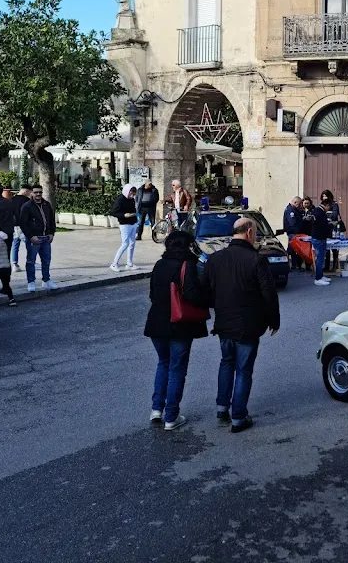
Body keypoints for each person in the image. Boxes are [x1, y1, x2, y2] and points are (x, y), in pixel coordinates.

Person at [201, 218, 280, 433]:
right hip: (248, 325)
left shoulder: (215, 259)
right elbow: (269, 295)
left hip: (224, 323)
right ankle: (238, 417)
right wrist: (274, 320)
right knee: (243, 370)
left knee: (227, 362)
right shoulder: (256, 260)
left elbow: (205, 291)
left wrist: (218, 305)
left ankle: (222, 408)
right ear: (250, 232)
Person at [145, 230, 209, 432]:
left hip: (156, 323)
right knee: (177, 369)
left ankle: (156, 409)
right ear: (187, 245)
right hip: (180, 324)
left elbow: (152, 294)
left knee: (163, 364)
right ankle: (171, 416)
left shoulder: (159, 264)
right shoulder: (187, 264)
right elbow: (191, 293)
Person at [18, 184, 57, 293]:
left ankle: (46, 280)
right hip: (34, 239)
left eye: (40, 192)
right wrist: (31, 237)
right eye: (36, 192)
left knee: (46, 260)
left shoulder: (46, 205)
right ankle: (31, 282)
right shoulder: (27, 206)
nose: (38, 194)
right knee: (31, 261)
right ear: (31, 193)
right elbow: (23, 224)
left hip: (46, 238)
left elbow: (52, 220)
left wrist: (52, 233)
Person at [110, 184, 139, 272]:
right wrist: (124, 215)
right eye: (131, 194)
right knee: (125, 244)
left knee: (132, 243)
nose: (132, 196)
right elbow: (114, 212)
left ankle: (129, 263)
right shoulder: (120, 200)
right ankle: (114, 263)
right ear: (127, 191)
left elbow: (133, 209)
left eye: (133, 194)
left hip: (133, 222)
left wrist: (134, 214)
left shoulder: (132, 200)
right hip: (124, 224)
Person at [9, 184, 32, 273]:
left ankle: (14, 264)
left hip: (13, 226)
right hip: (24, 226)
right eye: (29, 192)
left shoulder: (11, 200)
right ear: (25, 191)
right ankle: (30, 262)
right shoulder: (27, 201)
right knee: (30, 244)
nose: (30, 194)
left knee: (15, 244)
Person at [311, 199, 332, 286]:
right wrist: (329, 225)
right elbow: (321, 226)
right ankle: (318, 278)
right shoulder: (319, 212)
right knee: (319, 259)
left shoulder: (319, 211)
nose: (329, 209)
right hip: (319, 238)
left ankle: (321, 275)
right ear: (326, 205)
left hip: (320, 238)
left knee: (321, 258)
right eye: (329, 207)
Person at [320, 189, 342, 272]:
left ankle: (335, 266)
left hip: (333, 228)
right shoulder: (322, 205)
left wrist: (328, 217)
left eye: (326, 196)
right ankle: (326, 266)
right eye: (323, 196)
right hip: (325, 228)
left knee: (334, 247)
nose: (324, 198)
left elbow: (335, 214)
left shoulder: (334, 204)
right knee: (326, 248)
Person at [283, 196, 303, 270]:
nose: (300, 205)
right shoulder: (290, 210)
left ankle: (294, 265)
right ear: (295, 202)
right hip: (293, 233)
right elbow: (293, 223)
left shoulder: (294, 209)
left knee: (294, 250)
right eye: (299, 204)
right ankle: (290, 265)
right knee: (291, 250)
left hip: (294, 233)